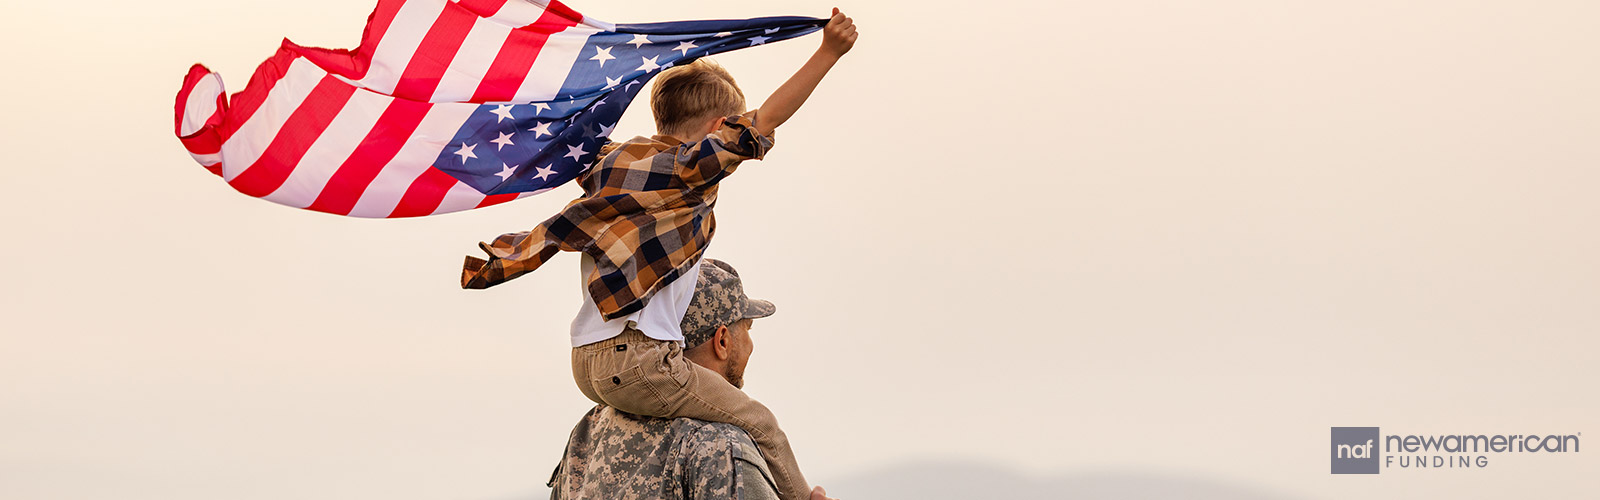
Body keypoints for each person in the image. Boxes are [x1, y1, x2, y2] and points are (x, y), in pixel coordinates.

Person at [464, 9, 859, 500]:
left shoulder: (615, 161)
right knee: (759, 422)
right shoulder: (689, 171)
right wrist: (828, 53)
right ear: (718, 126)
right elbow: (765, 120)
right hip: (640, 359)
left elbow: (567, 139)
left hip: (586, 360)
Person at [548, 259, 838, 500]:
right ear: (722, 341)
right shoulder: (720, 444)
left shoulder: (589, 430)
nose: (751, 344)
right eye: (747, 328)